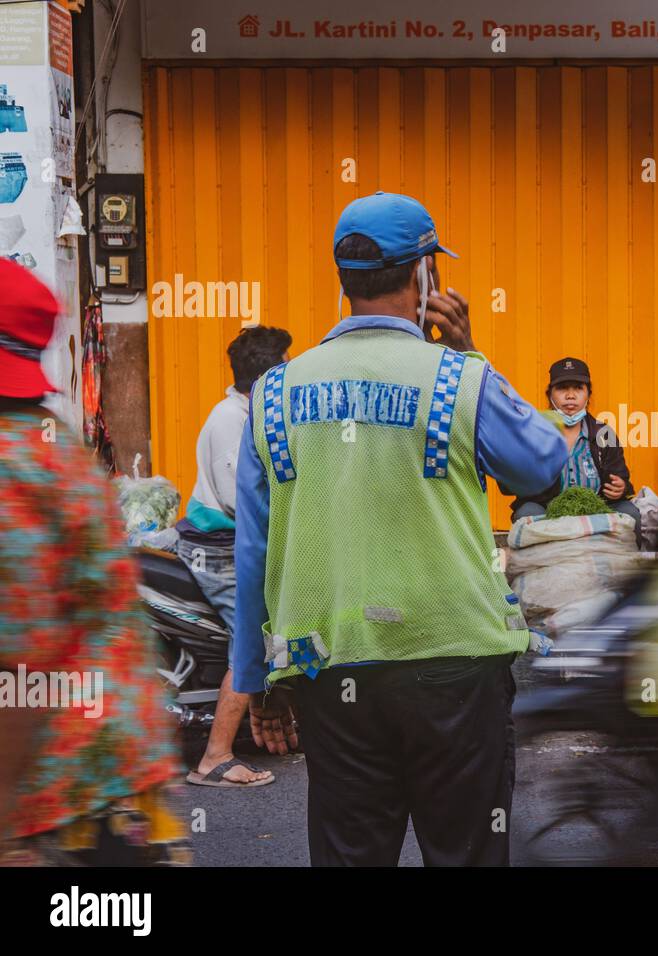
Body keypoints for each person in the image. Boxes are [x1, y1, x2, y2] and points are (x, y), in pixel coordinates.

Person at [233, 191, 567, 866]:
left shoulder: (272, 394)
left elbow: (254, 554)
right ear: (425, 279)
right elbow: (546, 469)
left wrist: (259, 685)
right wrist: (474, 353)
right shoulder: (459, 378)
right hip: (455, 669)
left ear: (343, 279)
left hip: (333, 675)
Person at [0, 260, 187, 865]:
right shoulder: (53, 443)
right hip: (118, 770)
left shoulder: (11, 464)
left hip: (63, 798)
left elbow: (21, 664)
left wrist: (4, 825)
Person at [176, 325, 291, 789]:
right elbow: (238, 499)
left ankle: (273, 717)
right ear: (270, 372)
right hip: (220, 548)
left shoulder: (250, 412)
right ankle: (215, 757)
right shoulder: (231, 419)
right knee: (250, 641)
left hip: (229, 541)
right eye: (286, 362)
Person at [508, 356, 642, 538]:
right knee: (526, 513)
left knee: (630, 512)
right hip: (548, 509)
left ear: (588, 394)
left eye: (578, 388)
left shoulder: (604, 433)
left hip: (596, 508)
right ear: (550, 394)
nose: (570, 396)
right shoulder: (534, 432)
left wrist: (621, 488)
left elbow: (621, 476)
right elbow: (514, 482)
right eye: (562, 388)